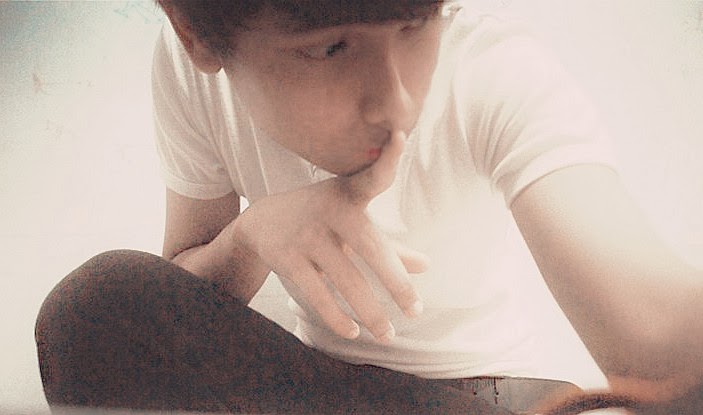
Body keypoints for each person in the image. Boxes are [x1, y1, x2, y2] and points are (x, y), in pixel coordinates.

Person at [35, 1, 703, 414]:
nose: (397, 102)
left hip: (498, 392)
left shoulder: (493, 68)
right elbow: (173, 300)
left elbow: (655, 330)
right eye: (331, 47)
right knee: (97, 306)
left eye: (415, 24)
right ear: (192, 31)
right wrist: (252, 233)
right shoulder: (191, 73)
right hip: (314, 383)